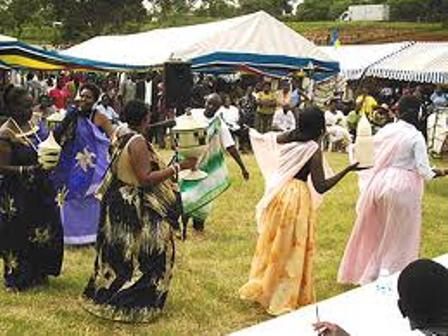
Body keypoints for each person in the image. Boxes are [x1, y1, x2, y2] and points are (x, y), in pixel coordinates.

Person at [83, 100, 196, 322]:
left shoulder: (120, 133)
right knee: (152, 250)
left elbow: (103, 121)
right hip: (132, 206)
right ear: (146, 119)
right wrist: (177, 167)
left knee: (118, 251)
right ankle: (134, 298)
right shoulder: (137, 142)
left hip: (117, 200)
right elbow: (145, 179)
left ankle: (111, 291)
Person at [239, 106, 358, 316]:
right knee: (292, 248)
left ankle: (265, 286)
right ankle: (283, 294)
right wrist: (347, 170)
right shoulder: (312, 148)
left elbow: (266, 139)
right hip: (296, 199)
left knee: (274, 243)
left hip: (280, 194)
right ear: (319, 126)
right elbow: (320, 185)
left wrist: (250, 131)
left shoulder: (286, 137)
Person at [338, 96, 447, 286]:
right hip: (403, 188)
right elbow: (424, 172)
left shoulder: (388, 130)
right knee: (399, 236)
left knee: (379, 231)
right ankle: (390, 275)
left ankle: (372, 272)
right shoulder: (416, 136)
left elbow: (368, 150)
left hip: (380, 184)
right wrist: (442, 171)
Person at [0, 85, 63, 291]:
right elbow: (2, 167)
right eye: (26, 106)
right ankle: (19, 278)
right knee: (19, 234)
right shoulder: (6, 133)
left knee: (44, 230)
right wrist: (27, 170)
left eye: (31, 105)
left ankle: (40, 272)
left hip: (40, 189)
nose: (30, 110)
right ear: (12, 108)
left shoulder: (34, 124)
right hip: (18, 192)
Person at [53, 83, 114, 245]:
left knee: (91, 200)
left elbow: (112, 137)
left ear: (95, 100)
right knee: (71, 196)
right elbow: (59, 134)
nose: (84, 100)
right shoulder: (73, 115)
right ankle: (71, 235)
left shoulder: (100, 116)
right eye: (83, 96)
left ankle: (91, 236)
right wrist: (70, 116)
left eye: (89, 97)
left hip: (94, 167)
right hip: (73, 164)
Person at [185, 93, 249, 232]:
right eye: (208, 103)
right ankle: (182, 225)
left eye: (214, 105)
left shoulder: (219, 124)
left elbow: (230, 147)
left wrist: (243, 167)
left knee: (203, 195)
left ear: (218, 108)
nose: (210, 107)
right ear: (204, 101)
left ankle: (198, 225)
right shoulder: (194, 114)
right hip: (189, 162)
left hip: (207, 165)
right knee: (187, 193)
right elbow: (179, 128)